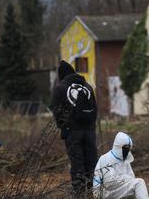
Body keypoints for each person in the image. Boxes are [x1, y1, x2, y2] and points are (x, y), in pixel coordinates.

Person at [49, 60, 98, 197]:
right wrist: (90, 127)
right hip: (90, 131)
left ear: (62, 74)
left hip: (73, 131)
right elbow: (95, 109)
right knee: (92, 163)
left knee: (77, 164)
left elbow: (56, 110)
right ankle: (93, 192)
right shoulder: (88, 86)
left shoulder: (61, 88)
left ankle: (79, 194)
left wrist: (63, 127)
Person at [93, 132, 149, 199]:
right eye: (125, 147)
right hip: (103, 193)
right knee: (139, 183)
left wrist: (128, 180)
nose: (127, 150)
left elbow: (132, 177)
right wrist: (127, 179)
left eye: (128, 148)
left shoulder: (125, 161)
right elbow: (109, 183)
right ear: (118, 146)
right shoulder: (106, 158)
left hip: (116, 190)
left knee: (136, 186)